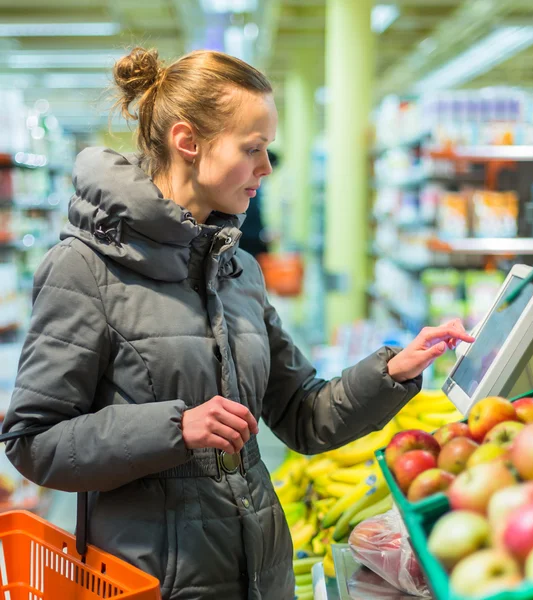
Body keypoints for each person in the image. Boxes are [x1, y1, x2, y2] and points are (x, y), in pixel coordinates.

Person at [2, 47, 474, 600]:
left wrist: (392, 370)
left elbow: (303, 414)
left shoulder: (237, 269)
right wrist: (174, 429)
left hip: (261, 572)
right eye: (253, 149)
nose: (267, 168)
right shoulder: (84, 268)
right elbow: (33, 440)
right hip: (150, 582)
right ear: (188, 142)